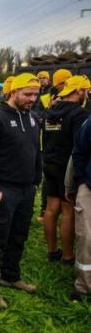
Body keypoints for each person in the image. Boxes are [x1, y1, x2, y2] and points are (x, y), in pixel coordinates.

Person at [0, 73, 41, 309]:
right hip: (3, 189)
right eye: (27, 94)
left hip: (26, 190)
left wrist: (36, 180)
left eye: (35, 94)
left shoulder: (33, 119)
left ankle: (11, 275)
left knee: (19, 235)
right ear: (14, 93)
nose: (32, 98)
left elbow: (36, 151)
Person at [41, 75, 90, 264]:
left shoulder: (51, 111)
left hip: (50, 163)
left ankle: (52, 251)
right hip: (67, 167)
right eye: (85, 90)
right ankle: (68, 255)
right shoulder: (79, 114)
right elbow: (81, 145)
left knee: (51, 208)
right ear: (78, 91)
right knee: (68, 210)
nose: (87, 94)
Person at [69, 117, 91, 300]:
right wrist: (82, 181)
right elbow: (79, 152)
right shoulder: (89, 122)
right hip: (89, 187)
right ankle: (83, 286)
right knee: (86, 237)